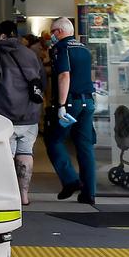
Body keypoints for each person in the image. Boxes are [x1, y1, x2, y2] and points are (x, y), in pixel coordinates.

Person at [0, 21, 43, 205]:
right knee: (25, 153)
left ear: (5, 35)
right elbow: (41, 83)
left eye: (0, 34)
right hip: (29, 115)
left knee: (6, 155)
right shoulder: (32, 55)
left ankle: (6, 195)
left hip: (4, 114)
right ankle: (24, 195)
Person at [44, 17, 97, 204]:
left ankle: (71, 180)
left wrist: (61, 105)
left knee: (54, 140)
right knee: (85, 146)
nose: (50, 36)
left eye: (52, 32)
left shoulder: (61, 48)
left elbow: (65, 75)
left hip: (71, 101)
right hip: (88, 101)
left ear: (59, 31)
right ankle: (89, 193)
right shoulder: (83, 48)